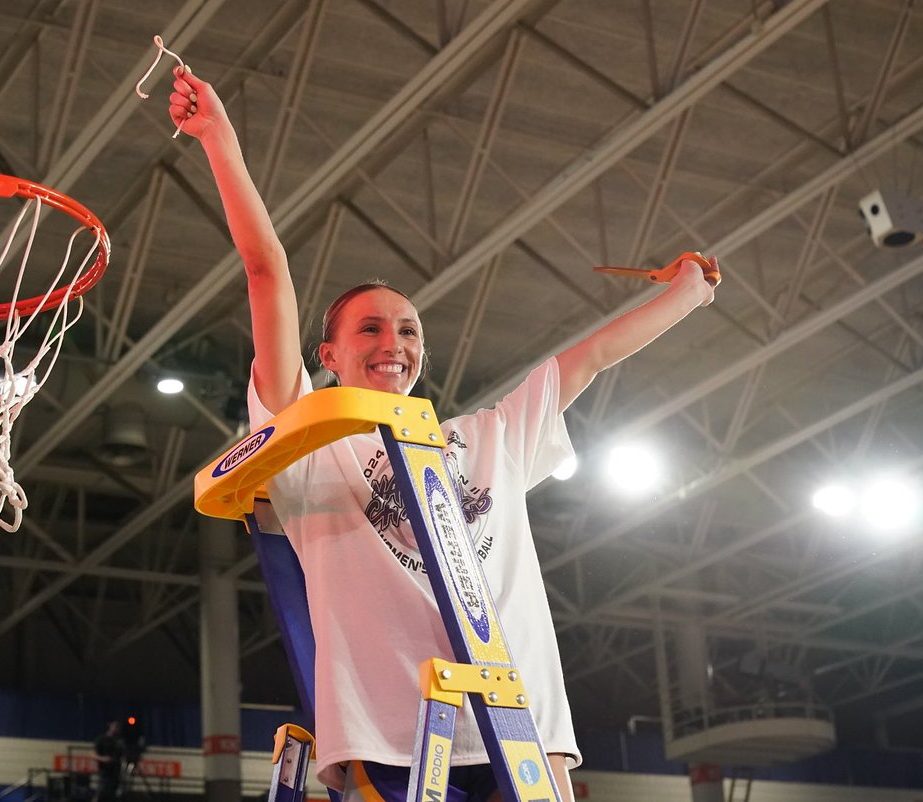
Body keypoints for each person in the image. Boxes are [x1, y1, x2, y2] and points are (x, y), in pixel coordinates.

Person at [169, 66, 717, 802]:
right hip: (387, 729)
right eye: (369, 327)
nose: (392, 341)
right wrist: (219, 140)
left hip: (523, 726)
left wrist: (689, 290)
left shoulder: (489, 434)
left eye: (408, 328)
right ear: (326, 357)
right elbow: (267, 273)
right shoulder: (309, 433)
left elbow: (594, 354)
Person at [93, 720, 124, 801]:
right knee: (101, 793)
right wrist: (103, 759)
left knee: (113, 795)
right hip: (104, 772)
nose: (116, 728)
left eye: (118, 727)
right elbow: (93, 754)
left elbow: (120, 756)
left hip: (115, 772)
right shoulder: (102, 739)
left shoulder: (119, 742)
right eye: (115, 726)